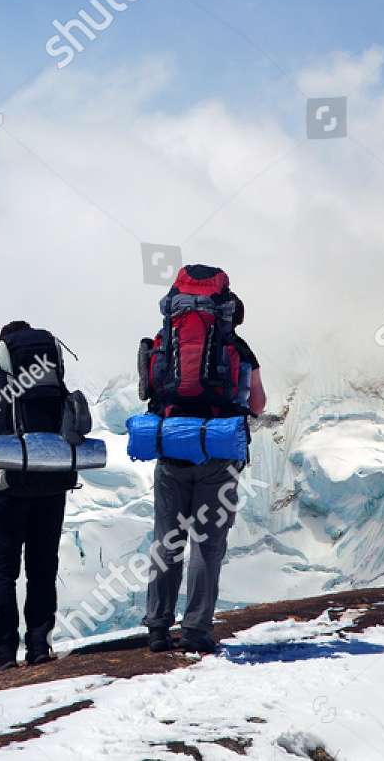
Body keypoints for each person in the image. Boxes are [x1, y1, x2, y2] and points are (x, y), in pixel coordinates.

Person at [139, 265, 266, 654]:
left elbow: (147, 391)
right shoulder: (239, 350)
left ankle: (158, 628)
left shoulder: (163, 342)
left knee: (167, 541)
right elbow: (258, 405)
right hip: (217, 454)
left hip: (172, 451)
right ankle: (195, 630)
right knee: (207, 544)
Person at [0, 319, 83, 672]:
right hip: (51, 487)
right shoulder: (54, 386)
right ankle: (39, 647)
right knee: (42, 568)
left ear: (3, 350)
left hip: (7, 488)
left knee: (3, 573)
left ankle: (3, 655)